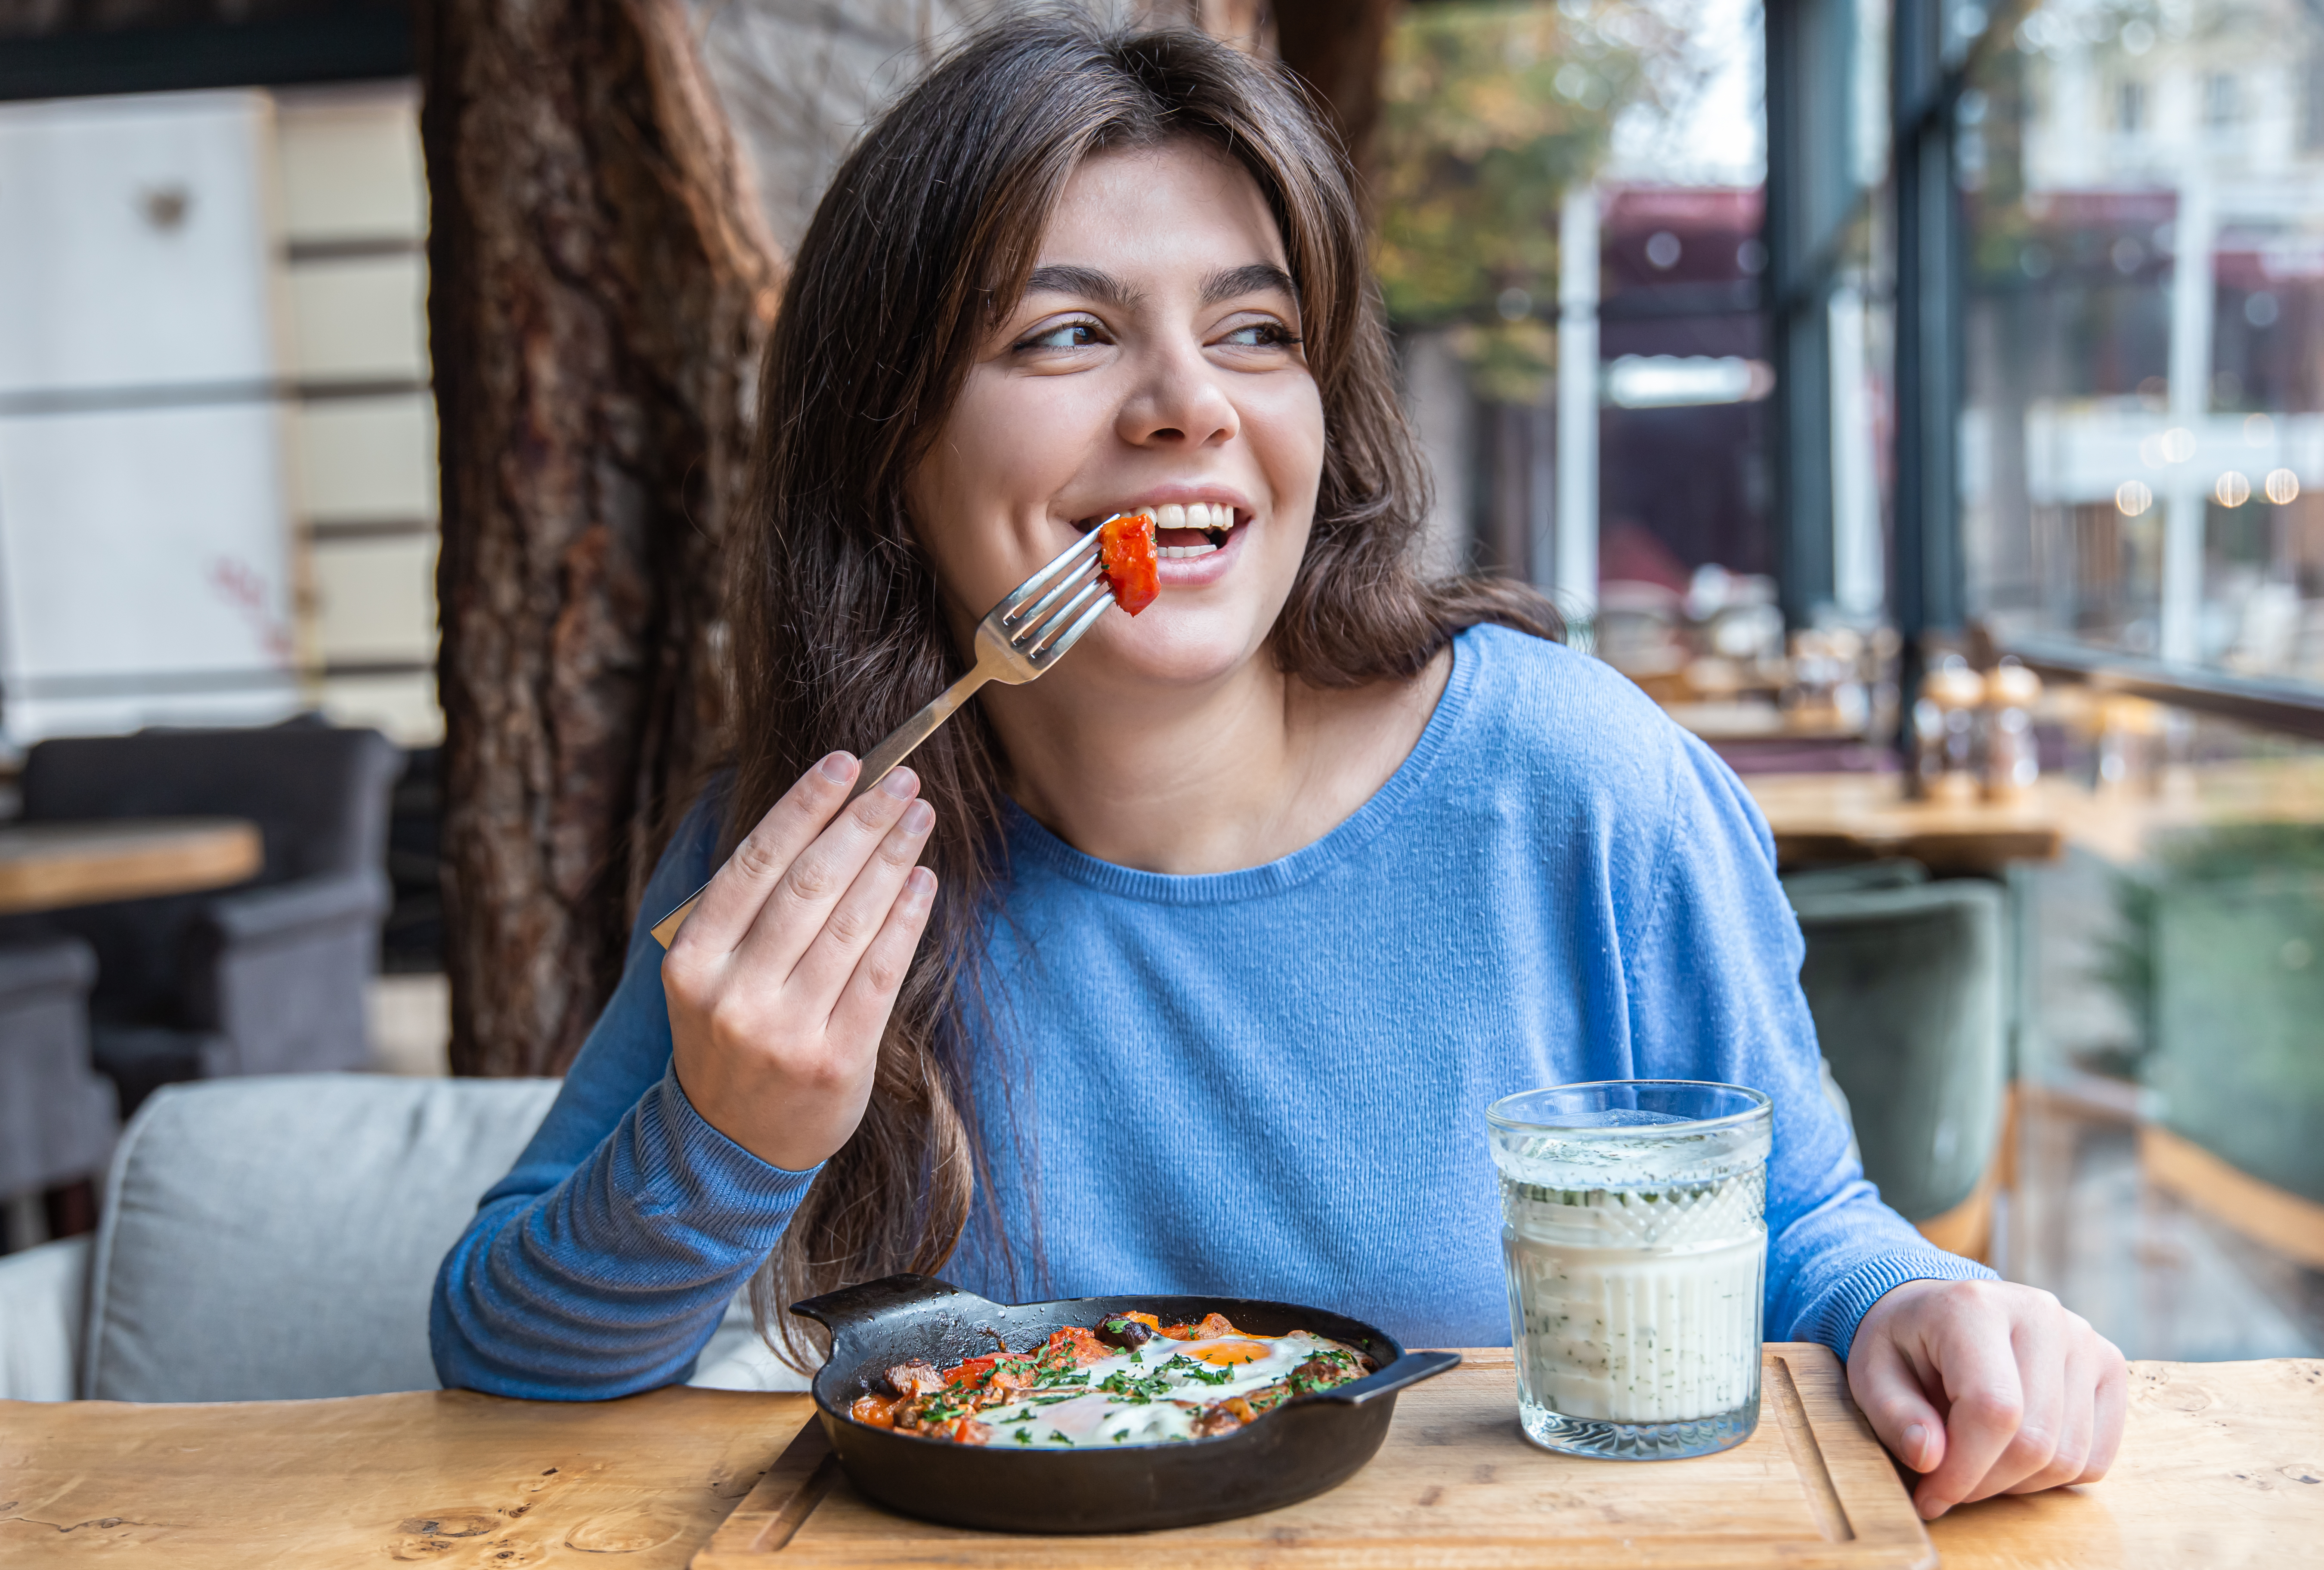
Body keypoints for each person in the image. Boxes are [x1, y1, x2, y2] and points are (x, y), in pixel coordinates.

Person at [430, 16, 2124, 1521]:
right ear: (891, 449)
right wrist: (729, 1138)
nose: (1190, 406)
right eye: (1066, 336)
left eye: (1254, 333)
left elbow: (1808, 1232)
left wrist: (1931, 1309)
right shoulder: (820, 847)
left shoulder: (1573, 782)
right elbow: (499, 1352)